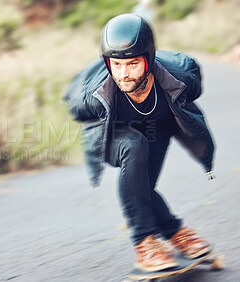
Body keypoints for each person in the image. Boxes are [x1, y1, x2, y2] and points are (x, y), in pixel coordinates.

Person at [63, 14, 215, 272]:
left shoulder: (178, 77)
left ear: (149, 59)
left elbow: (194, 86)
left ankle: (175, 232)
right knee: (134, 145)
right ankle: (145, 243)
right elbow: (75, 107)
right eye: (116, 64)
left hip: (158, 129)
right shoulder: (93, 92)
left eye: (133, 63)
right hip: (114, 135)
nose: (124, 74)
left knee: (144, 186)